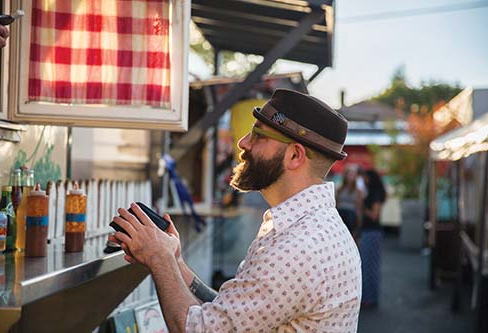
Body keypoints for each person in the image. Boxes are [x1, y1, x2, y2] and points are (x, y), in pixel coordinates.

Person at [110, 89, 362, 332]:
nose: (243, 143)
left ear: (295, 156)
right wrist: (175, 261)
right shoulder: (313, 228)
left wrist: (159, 259)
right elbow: (231, 316)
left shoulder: (296, 249)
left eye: (258, 135)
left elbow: (198, 329)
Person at [359, 169, 387, 308]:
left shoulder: (375, 194)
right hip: (370, 232)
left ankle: (370, 298)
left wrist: (363, 208)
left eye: (365, 176)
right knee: (369, 265)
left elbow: (374, 215)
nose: (363, 179)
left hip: (372, 232)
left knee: (370, 266)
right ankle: (369, 297)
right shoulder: (373, 192)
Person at [336, 165, 364, 239]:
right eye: (349, 174)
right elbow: (337, 204)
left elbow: (359, 207)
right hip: (341, 213)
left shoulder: (358, 191)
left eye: (352, 174)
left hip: (351, 215)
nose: (350, 177)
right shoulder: (339, 189)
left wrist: (359, 223)